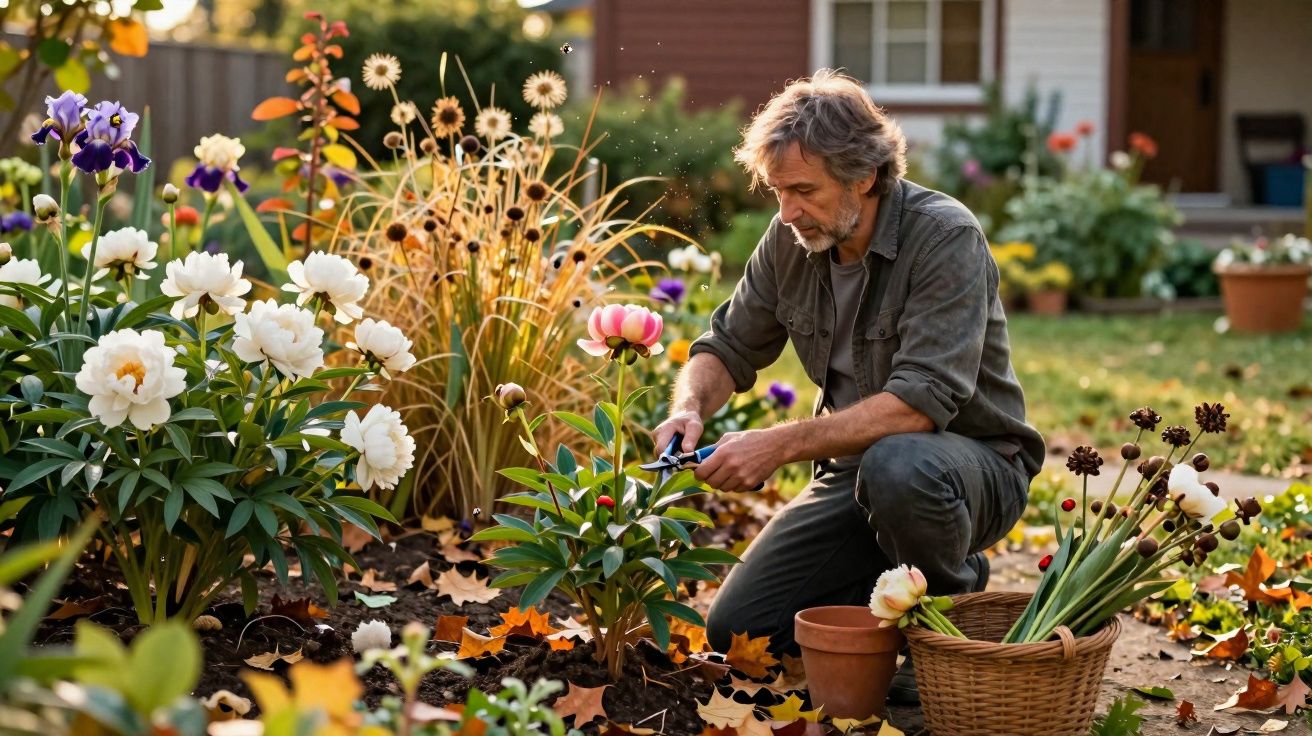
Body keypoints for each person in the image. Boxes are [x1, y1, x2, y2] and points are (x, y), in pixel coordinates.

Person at [651, 69, 1045, 705]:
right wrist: (689, 409)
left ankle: (946, 612)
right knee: (740, 632)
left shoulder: (945, 238)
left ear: (864, 176)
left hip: (968, 471)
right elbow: (725, 345)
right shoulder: (789, 239)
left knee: (899, 467)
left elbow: (919, 407)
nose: (786, 211)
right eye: (778, 192)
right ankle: (882, 588)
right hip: (853, 477)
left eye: (804, 191)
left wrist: (776, 445)